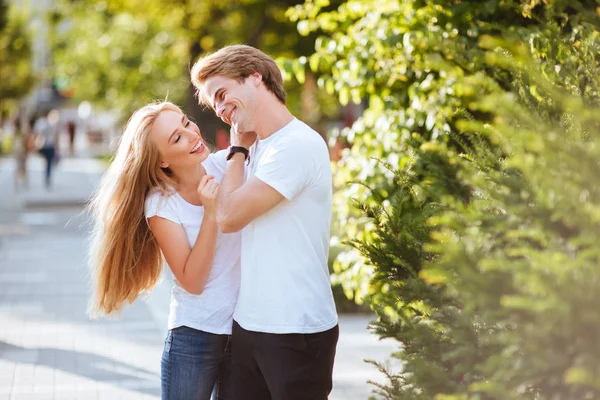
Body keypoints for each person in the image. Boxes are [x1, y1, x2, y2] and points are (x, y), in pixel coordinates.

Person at [191, 45, 339, 400]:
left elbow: (227, 216)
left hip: (296, 330)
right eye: (215, 105)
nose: (222, 110)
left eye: (223, 94)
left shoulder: (297, 144)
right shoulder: (256, 148)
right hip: (248, 326)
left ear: (254, 77)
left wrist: (238, 150)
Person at [88, 101, 240, 400]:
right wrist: (211, 214)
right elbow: (192, 282)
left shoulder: (228, 166)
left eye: (186, 122)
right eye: (177, 138)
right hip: (195, 335)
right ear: (161, 161)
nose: (192, 134)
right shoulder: (161, 203)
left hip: (245, 330)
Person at [33, 109, 60, 189]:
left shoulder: (40, 123)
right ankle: (47, 176)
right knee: (48, 162)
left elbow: (36, 133)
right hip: (48, 145)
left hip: (44, 145)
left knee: (47, 162)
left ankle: (47, 175)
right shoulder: (51, 123)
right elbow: (56, 136)